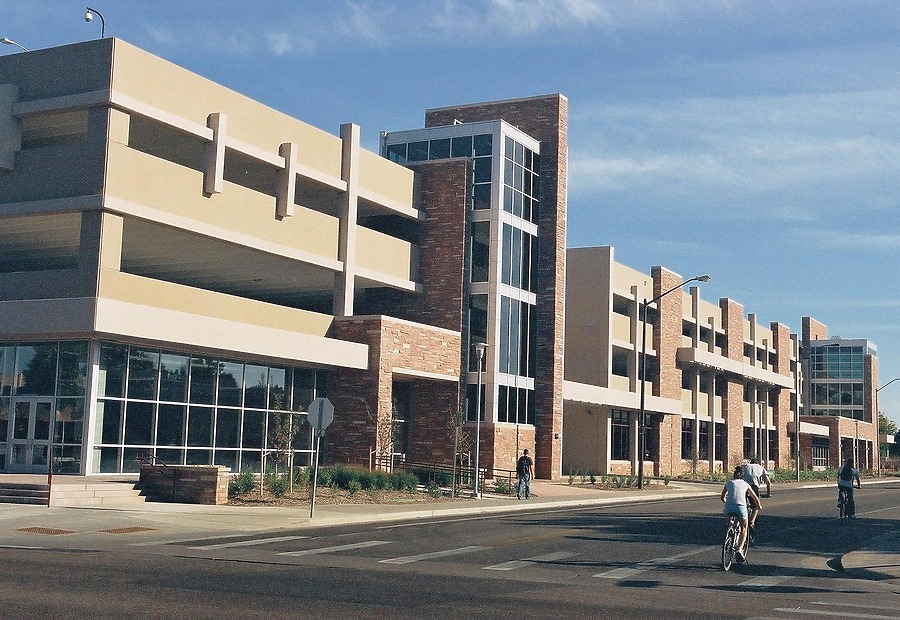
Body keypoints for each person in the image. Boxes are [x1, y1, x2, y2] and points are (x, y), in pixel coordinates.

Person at [721, 465, 762, 563]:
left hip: (729, 507)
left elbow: (722, 497)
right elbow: (755, 498)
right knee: (744, 526)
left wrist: (727, 501)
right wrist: (759, 506)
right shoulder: (746, 484)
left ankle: (730, 529)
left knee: (730, 519)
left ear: (734, 475)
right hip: (740, 507)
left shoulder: (729, 483)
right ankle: (739, 549)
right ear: (743, 476)